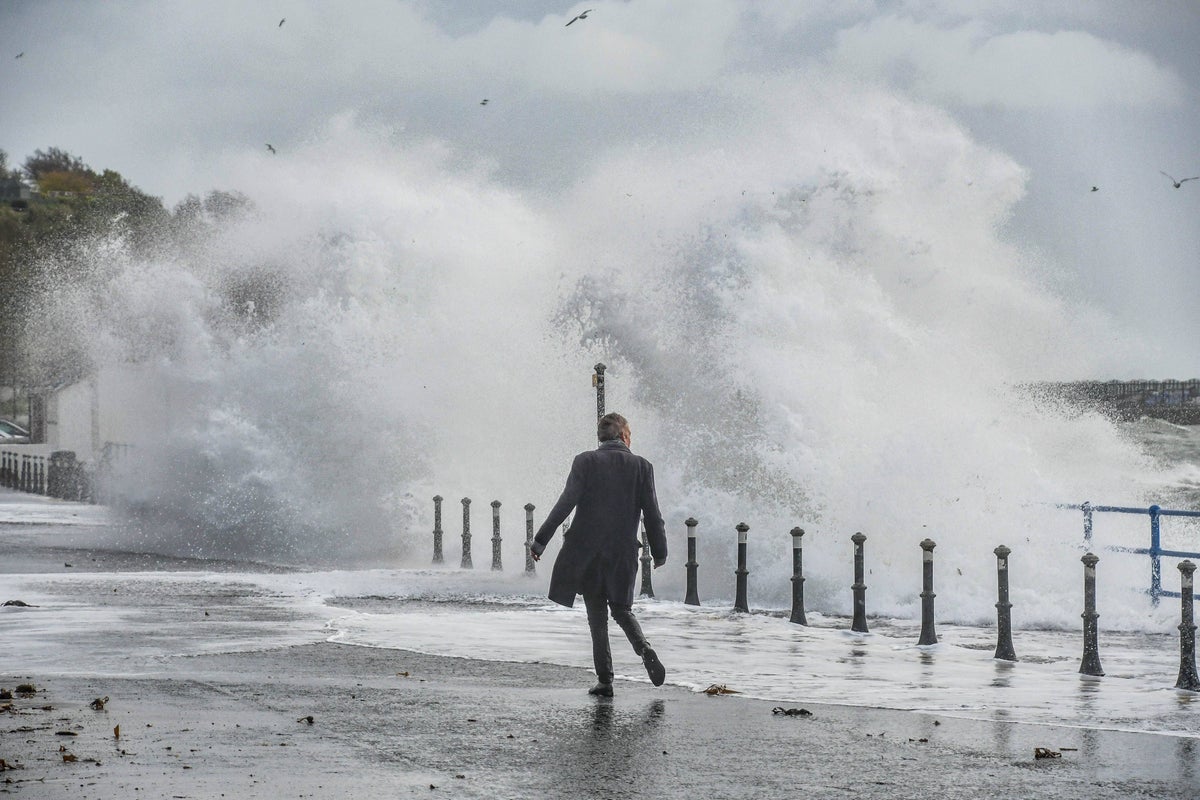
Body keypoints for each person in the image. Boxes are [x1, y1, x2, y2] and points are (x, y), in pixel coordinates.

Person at [530, 412, 668, 697]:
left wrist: (541, 540)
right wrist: (660, 551)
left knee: (596, 616)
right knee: (621, 610)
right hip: (622, 553)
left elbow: (565, 503)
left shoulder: (585, 461)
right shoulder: (642, 467)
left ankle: (605, 681)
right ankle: (644, 649)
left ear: (601, 438)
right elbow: (653, 515)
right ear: (625, 436)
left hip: (589, 554)